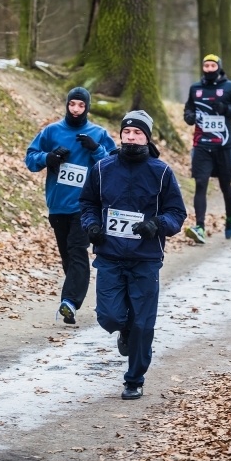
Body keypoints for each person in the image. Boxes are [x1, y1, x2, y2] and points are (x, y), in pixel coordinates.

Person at [79, 111, 186, 400]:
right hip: (110, 255)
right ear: (120, 135)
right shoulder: (102, 169)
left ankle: (134, 379)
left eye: (137, 133)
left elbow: (176, 212)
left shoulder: (161, 171)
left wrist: (156, 224)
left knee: (143, 323)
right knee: (109, 316)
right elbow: (87, 203)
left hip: (145, 258)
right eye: (127, 132)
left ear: (147, 137)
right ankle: (123, 331)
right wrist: (91, 225)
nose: (131, 137)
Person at [25, 87, 117, 324]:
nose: (76, 110)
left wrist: (95, 149)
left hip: (85, 207)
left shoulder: (98, 132)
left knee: (77, 250)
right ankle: (75, 291)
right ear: (67, 105)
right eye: (72, 105)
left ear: (88, 107)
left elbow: (114, 165)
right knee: (68, 256)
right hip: (58, 205)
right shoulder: (52, 131)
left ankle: (69, 302)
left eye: (81, 106)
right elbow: (31, 158)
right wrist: (48, 158)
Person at [183, 54, 231, 242]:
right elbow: (188, 109)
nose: (210, 69)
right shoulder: (195, 88)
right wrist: (189, 116)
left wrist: (227, 109)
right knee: (200, 183)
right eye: (206, 65)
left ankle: (230, 218)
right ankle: (200, 227)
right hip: (202, 145)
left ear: (219, 68)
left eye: (213, 66)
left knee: (225, 185)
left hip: (224, 146)